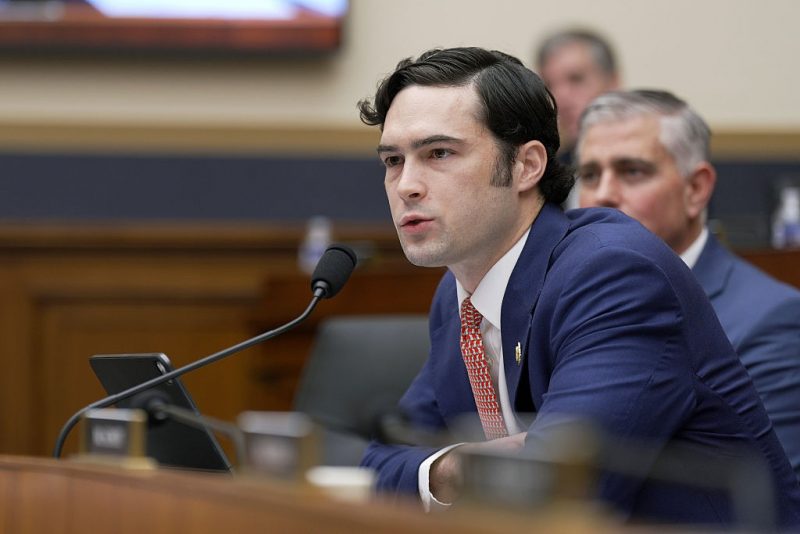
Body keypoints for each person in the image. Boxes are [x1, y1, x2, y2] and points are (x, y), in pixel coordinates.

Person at [356, 46, 800, 526]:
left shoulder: (612, 273)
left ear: (527, 165)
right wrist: (456, 466)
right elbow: (378, 463)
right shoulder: (460, 292)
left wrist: (482, 466)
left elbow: (561, 490)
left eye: (438, 153)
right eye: (393, 161)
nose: (406, 186)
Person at [575, 88, 800, 477]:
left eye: (632, 171)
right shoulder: (567, 303)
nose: (603, 195)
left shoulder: (772, 318)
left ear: (695, 189)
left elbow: (762, 499)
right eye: (590, 175)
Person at [535, 29, 620, 164]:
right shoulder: (550, 173)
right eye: (549, 85)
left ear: (613, 83)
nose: (560, 98)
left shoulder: (651, 154)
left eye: (576, 79)